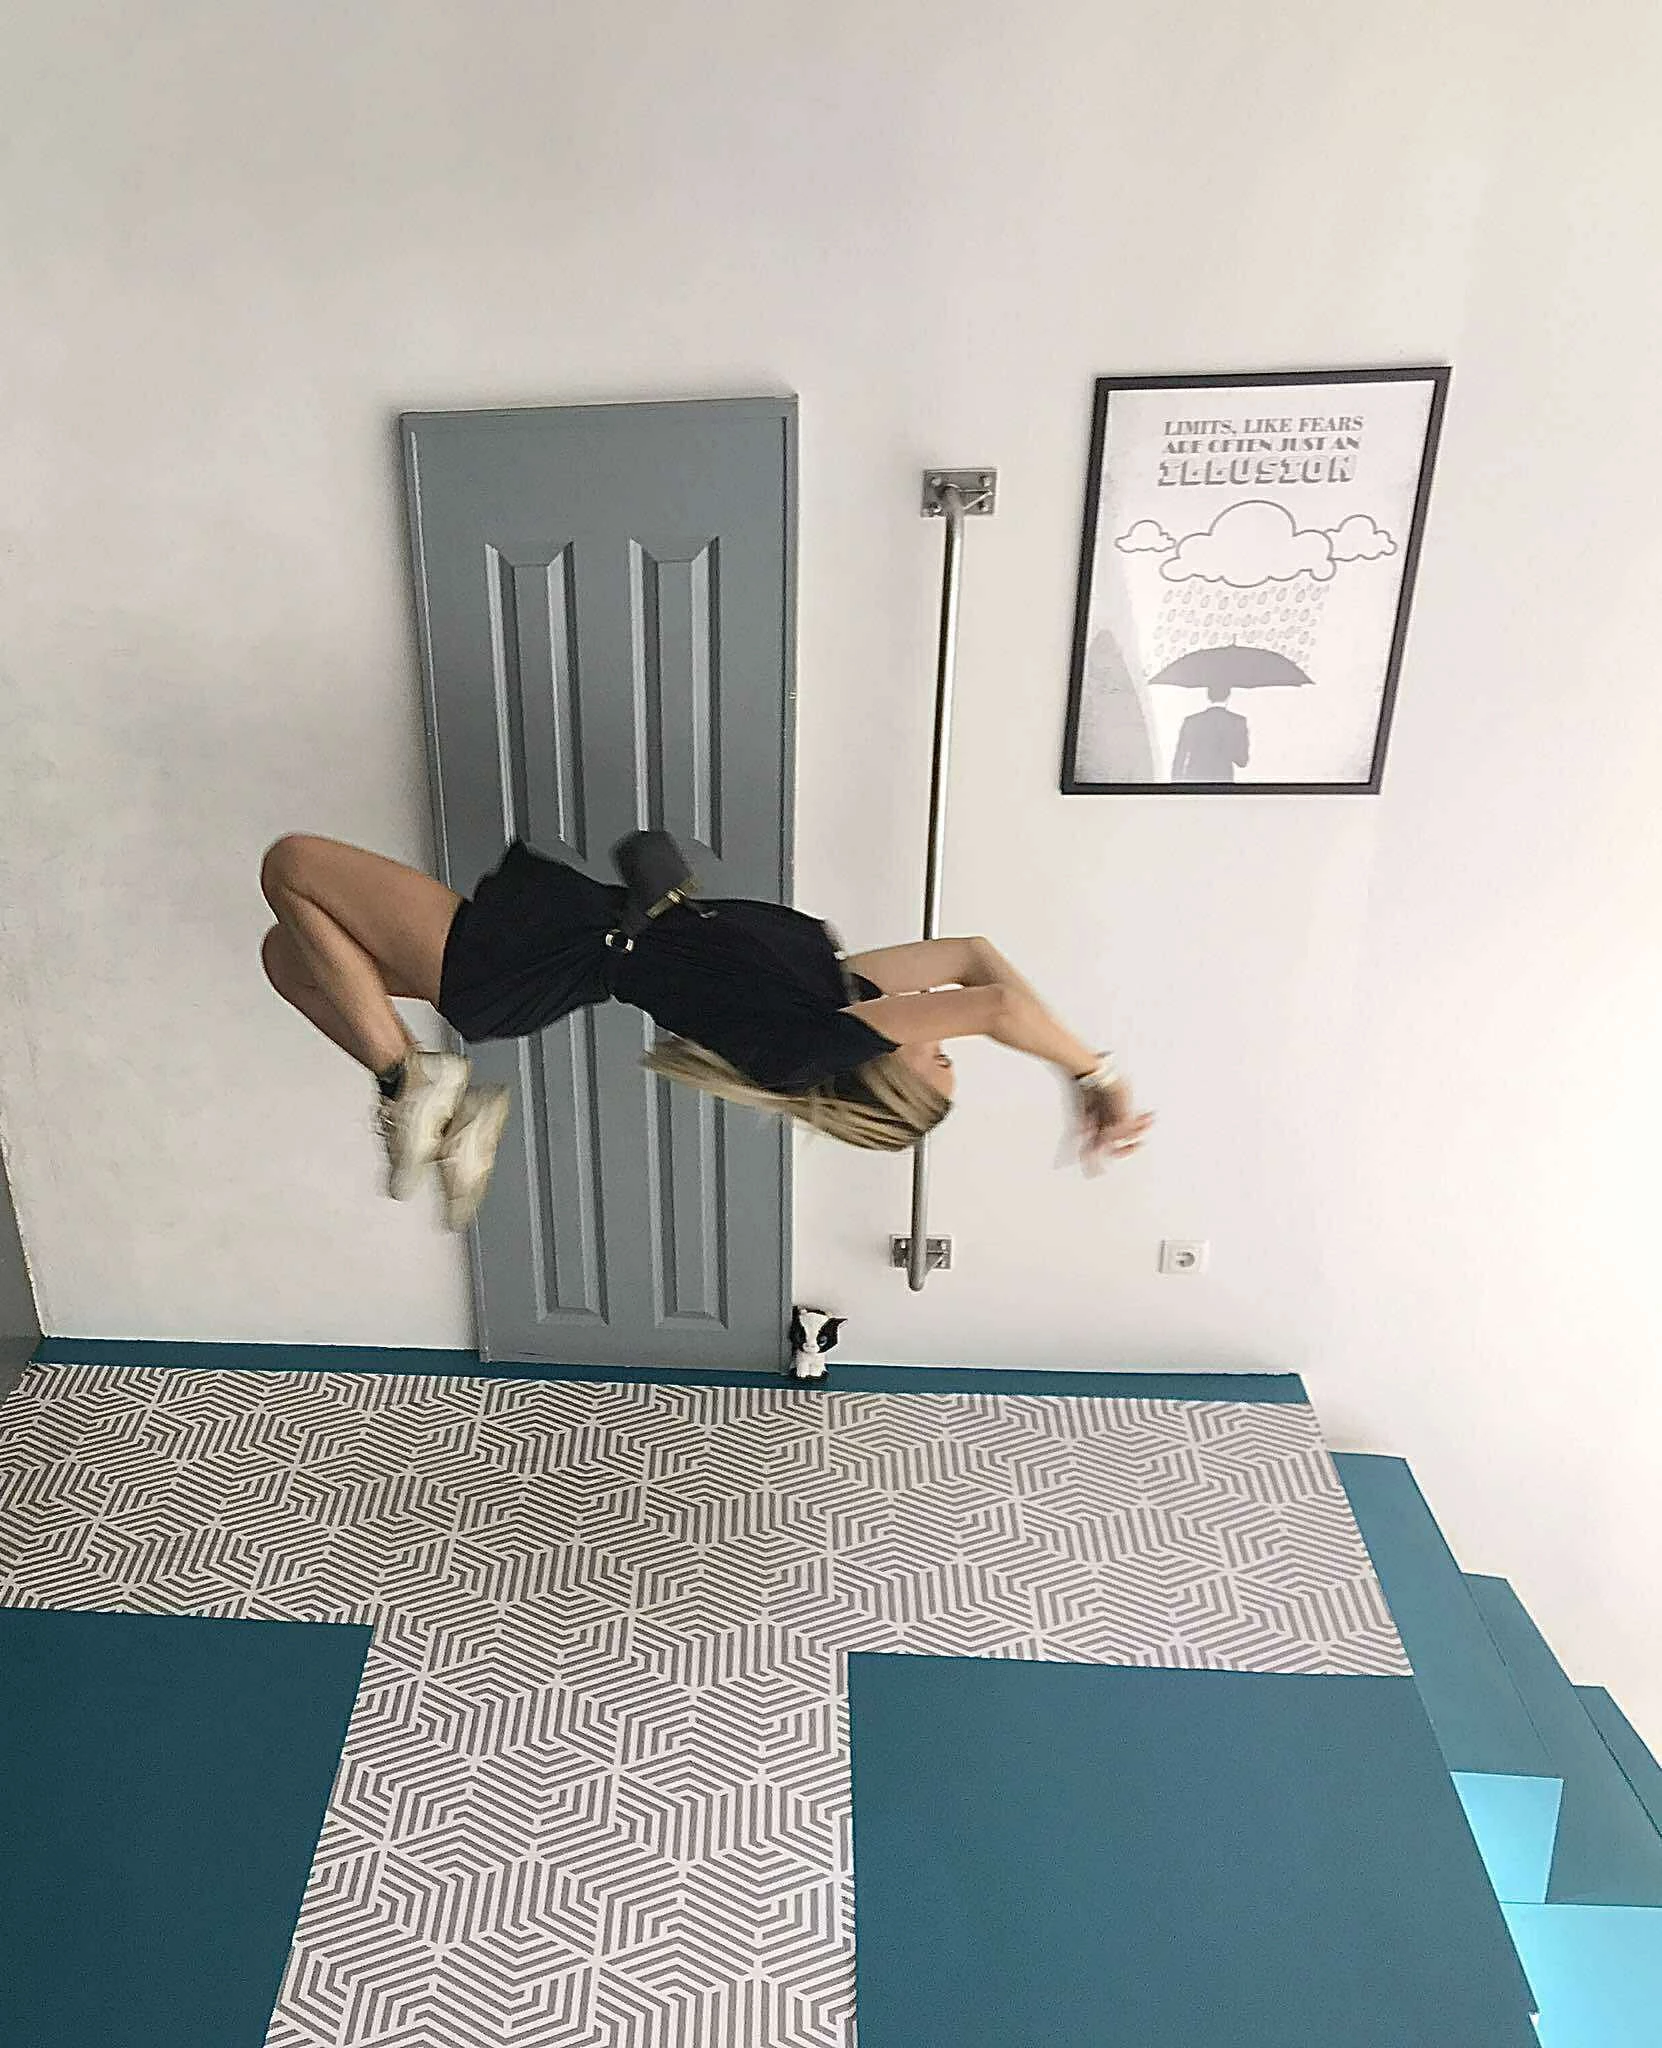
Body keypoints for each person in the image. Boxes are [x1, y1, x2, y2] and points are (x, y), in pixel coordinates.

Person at [259, 830, 1154, 1229]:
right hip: (543, 955)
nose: (945, 1045)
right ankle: (446, 1113)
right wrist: (1077, 1073)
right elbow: (975, 958)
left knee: (293, 864)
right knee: (292, 957)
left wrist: (1098, 1079)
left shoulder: (809, 1044)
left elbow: (991, 1007)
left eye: (941, 1063)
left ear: (890, 1080)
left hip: (528, 958)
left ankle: (410, 1081)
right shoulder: (833, 992)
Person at [1172, 682, 1251, 783]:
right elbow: (1242, 761)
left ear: (1208, 695)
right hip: (1223, 780)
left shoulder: (1192, 721)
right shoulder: (1238, 722)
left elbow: (1180, 756)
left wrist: (1175, 783)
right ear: (1228, 695)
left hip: (1194, 779)